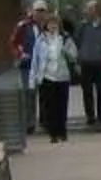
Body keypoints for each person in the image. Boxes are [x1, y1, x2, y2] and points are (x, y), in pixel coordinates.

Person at [32, 15, 77, 144]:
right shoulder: (41, 40)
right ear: (46, 26)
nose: (52, 26)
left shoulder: (65, 38)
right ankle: (53, 134)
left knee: (61, 106)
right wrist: (33, 77)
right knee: (50, 106)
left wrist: (66, 51)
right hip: (47, 76)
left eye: (55, 24)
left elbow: (74, 55)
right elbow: (35, 59)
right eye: (50, 24)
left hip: (62, 76)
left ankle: (62, 131)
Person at [74, 4, 101, 130]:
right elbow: (76, 42)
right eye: (87, 9)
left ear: (96, 11)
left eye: (90, 9)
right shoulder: (82, 26)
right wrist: (79, 60)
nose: (88, 12)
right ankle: (90, 116)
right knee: (87, 91)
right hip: (86, 63)